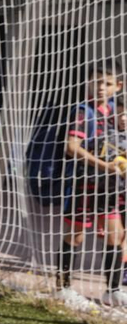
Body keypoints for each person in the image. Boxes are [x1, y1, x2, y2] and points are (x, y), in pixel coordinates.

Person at [58, 64, 125, 309]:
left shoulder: (115, 114)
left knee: (115, 235)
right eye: (96, 82)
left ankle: (113, 290)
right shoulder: (83, 112)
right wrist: (103, 165)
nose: (100, 87)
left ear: (118, 86)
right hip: (84, 183)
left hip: (109, 186)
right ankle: (63, 288)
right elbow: (72, 147)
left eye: (106, 83)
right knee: (75, 236)